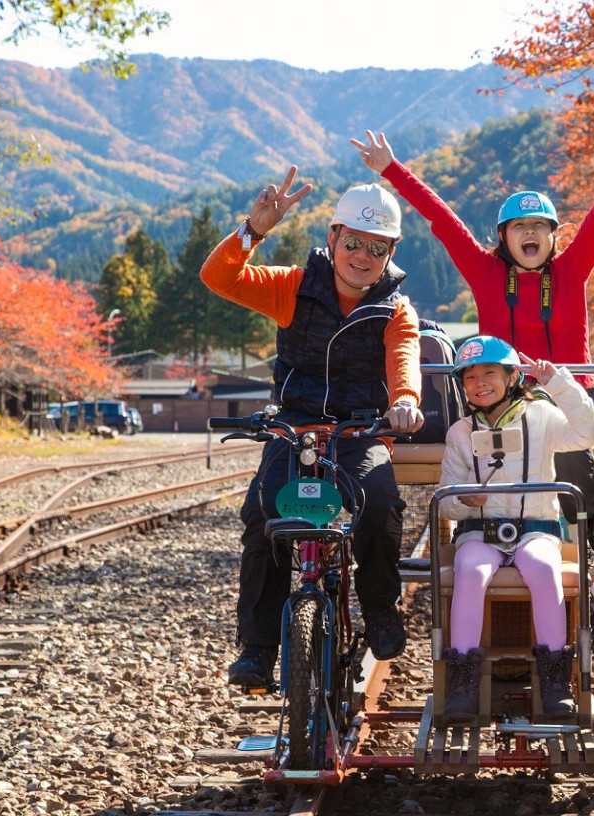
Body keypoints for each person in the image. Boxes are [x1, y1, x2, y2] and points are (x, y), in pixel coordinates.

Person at [353, 119, 594, 570]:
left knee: (559, 431)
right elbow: (442, 219)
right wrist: (392, 169)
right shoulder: (486, 273)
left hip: (567, 388)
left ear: (553, 237)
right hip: (503, 392)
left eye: (539, 226)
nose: (530, 233)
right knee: (518, 441)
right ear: (504, 237)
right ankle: (489, 534)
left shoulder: (571, 270)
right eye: (519, 226)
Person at [200, 166, 425, 686]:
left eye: (377, 247)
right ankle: (258, 648)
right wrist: (251, 233)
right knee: (262, 516)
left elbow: (404, 360)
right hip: (294, 430)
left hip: (360, 433)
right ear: (333, 237)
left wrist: (406, 402)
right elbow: (219, 278)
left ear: (389, 254)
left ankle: (381, 610)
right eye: (353, 242)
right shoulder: (293, 287)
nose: (362, 256)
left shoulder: (395, 309)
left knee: (380, 506)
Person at [436, 335, 594, 723]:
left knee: (544, 569)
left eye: (490, 373)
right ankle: (462, 682)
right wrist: (465, 502)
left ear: (513, 377)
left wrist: (558, 383)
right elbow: (445, 498)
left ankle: (555, 682)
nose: (480, 383)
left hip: (536, 529)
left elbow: (588, 433)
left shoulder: (542, 415)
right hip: (480, 532)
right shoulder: (460, 432)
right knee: (470, 570)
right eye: (470, 377)